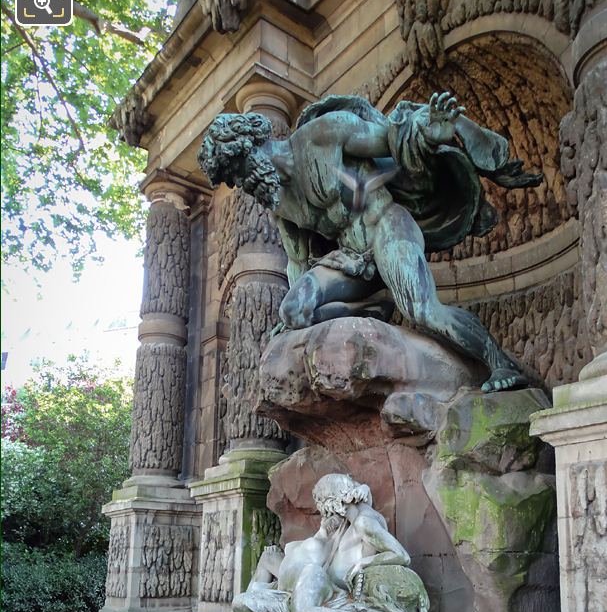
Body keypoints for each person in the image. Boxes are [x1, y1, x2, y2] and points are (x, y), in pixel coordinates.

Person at [198, 92, 542, 391]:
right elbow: (297, 261)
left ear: (249, 148)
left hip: (387, 228)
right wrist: (288, 323)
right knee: (293, 310)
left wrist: (424, 131)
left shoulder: (321, 134)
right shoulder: (279, 202)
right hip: (349, 260)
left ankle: (499, 362)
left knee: (421, 310)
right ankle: (373, 311)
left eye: (235, 171)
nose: (239, 183)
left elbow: (388, 139)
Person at [230, 474, 411, 612]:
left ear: (331, 502)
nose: (324, 514)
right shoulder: (351, 517)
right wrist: (363, 489)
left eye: (323, 507)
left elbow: (402, 555)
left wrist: (365, 563)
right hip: (313, 578)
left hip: (315, 576)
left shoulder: (363, 522)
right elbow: (361, 502)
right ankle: (271, 593)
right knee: (241, 602)